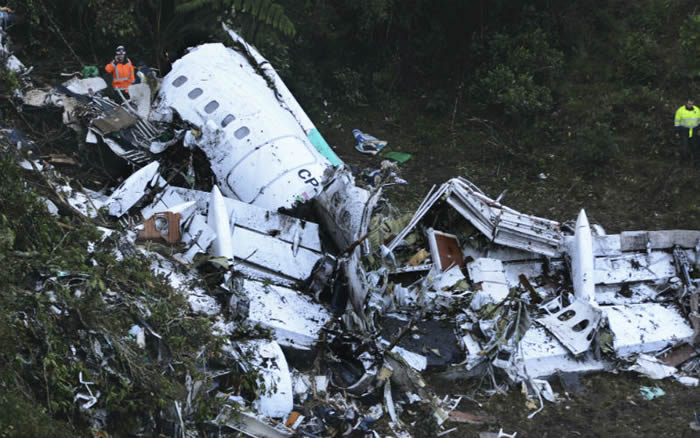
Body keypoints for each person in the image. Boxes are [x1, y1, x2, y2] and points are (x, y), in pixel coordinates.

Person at [675, 98, 700, 165]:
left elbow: (699, 121)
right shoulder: (680, 110)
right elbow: (677, 122)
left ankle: (696, 162)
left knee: (695, 146)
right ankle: (683, 161)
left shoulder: (697, 110)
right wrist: (677, 132)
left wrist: (699, 129)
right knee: (684, 146)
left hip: (694, 130)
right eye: (689, 104)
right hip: (684, 130)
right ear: (686, 103)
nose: (690, 105)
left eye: (691, 104)